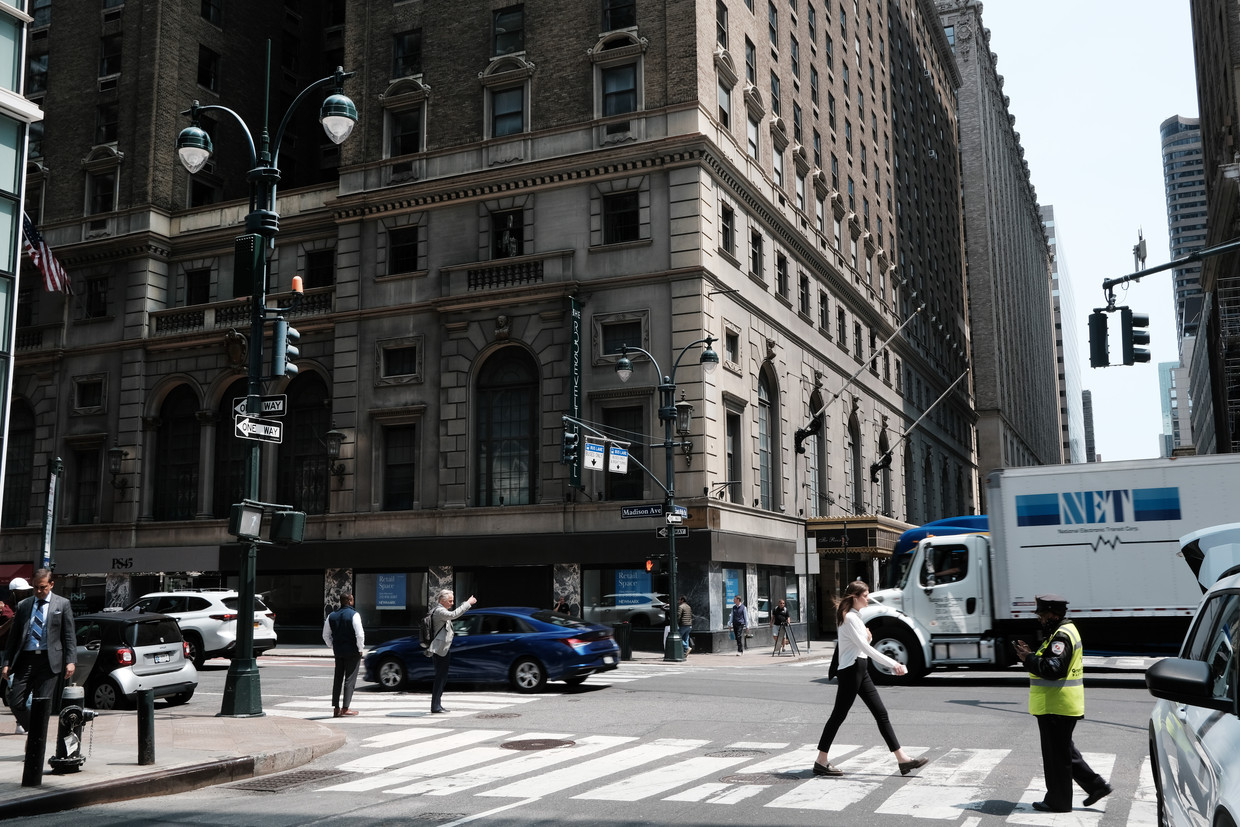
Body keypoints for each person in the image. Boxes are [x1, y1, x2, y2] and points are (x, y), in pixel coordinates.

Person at [812, 580, 927, 778]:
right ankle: (821, 761)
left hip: (860, 669)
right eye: (865, 595)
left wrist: (868, 637)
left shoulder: (855, 616)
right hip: (851, 670)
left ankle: (902, 760)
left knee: (881, 713)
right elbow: (865, 648)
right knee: (838, 715)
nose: (868, 598)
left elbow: (861, 644)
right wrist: (894, 664)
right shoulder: (849, 618)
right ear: (855, 598)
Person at [1013, 594, 1113, 813]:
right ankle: (1096, 786)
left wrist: (1028, 659)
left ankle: (1058, 802)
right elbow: (1048, 662)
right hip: (1058, 705)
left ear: (1052, 614)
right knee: (1064, 751)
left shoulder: (1062, 636)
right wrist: (1029, 655)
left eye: (1042, 614)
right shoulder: (1059, 633)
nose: (1039, 619)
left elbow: (1053, 669)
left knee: (1056, 757)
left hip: (1056, 706)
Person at [1, 569, 75, 735]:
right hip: (25, 660)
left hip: (48, 661)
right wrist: (6, 663)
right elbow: (13, 638)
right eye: (35, 588)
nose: (39, 591)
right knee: (15, 700)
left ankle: (35, 742)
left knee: (42, 702)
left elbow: (69, 635)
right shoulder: (24, 605)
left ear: (51, 584)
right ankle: (35, 731)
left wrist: (71, 660)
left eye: (43, 587)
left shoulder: (62, 604)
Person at [425, 589, 476, 713]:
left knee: (442, 677)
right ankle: (435, 706)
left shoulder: (440, 610)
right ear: (442, 601)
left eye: (453, 600)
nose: (452, 603)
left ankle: (437, 704)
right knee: (440, 677)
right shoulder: (440, 611)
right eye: (450, 601)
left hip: (442, 648)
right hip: (440, 650)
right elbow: (454, 615)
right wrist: (468, 603)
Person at [322, 591, 365, 718]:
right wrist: (360, 648)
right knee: (350, 679)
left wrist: (332, 645)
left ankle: (336, 708)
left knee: (338, 678)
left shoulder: (332, 616)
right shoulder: (354, 615)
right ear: (350, 600)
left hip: (338, 651)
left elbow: (325, 635)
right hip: (352, 651)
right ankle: (345, 708)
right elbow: (360, 634)